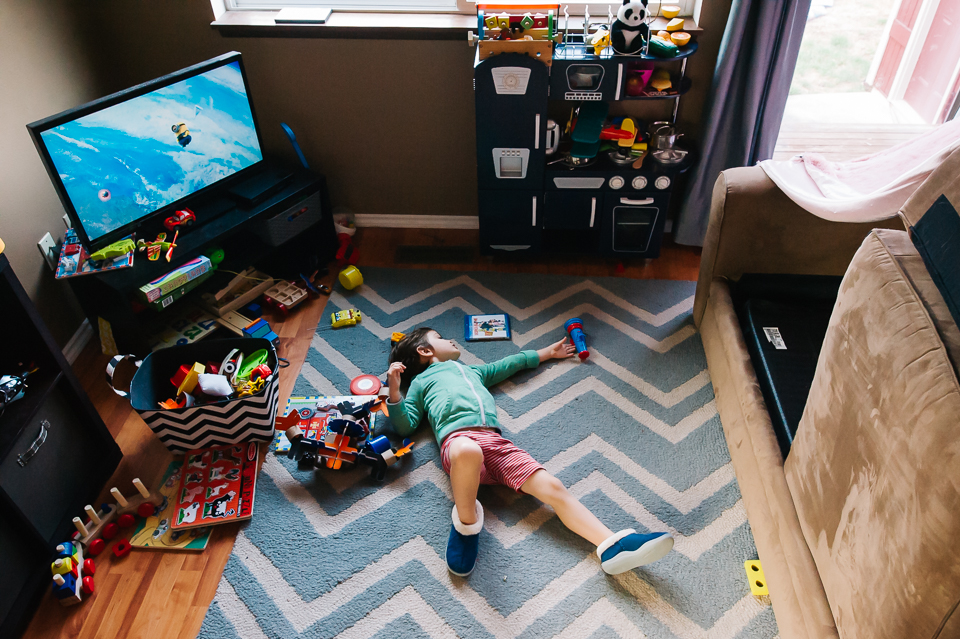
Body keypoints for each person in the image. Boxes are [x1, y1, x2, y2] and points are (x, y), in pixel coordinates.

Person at [386, 327, 674, 577]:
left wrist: (548, 353)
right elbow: (405, 425)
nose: (450, 340)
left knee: (553, 487)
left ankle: (611, 546)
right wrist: (395, 393)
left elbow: (510, 364)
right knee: (468, 451)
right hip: (459, 441)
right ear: (425, 350)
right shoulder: (423, 383)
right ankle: (466, 525)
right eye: (440, 337)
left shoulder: (473, 371)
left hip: (497, 445)